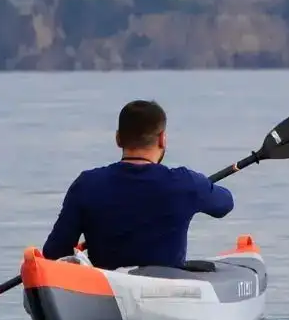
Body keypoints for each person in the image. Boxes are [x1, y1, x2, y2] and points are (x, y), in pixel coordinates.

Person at [41, 99, 235, 270]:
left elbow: (54, 253)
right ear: (162, 139)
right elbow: (225, 204)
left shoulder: (86, 184)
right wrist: (200, 188)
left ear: (118, 139)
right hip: (167, 293)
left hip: (104, 291)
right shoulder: (186, 183)